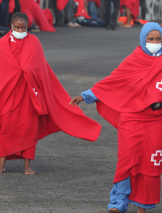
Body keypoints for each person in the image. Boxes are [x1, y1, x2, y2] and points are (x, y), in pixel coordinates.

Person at [70, 22, 162, 213]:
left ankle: (143, 203)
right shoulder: (135, 58)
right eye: (150, 39)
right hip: (132, 116)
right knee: (127, 157)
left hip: (158, 119)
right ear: (143, 40)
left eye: (158, 39)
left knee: (151, 160)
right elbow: (114, 80)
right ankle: (119, 200)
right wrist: (86, 96)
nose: (154, 42)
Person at [0, 12, 101, 174]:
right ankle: (1, 164)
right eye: (17, 27)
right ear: (11, 26)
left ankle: (27, 165)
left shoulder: (34, 42)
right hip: (8, 94)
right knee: (5, 128)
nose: (20, 30)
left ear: (28, 27)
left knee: (28, 129)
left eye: (23, 28)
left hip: (29, 94)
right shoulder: (2, 44)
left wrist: (26, 70)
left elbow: (39, 67)